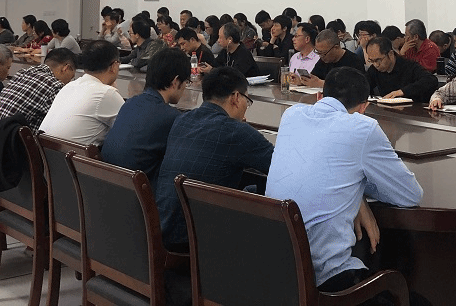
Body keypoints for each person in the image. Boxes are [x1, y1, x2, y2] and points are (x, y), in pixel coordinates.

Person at [266, 67, 423, 295]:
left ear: (320, 96)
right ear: (364, 107)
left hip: (277, 272)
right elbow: (410, 195)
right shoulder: (363, 127)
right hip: (325, 283)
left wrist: (357, 195)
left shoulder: (291, 115)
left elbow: (322, 170)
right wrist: (358, 194)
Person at [155, 66, 274, 251]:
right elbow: (280, 167)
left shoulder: (182, 120)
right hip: (198, 241)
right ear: (236, 97)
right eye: (247, 101)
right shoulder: (237, 132)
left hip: (163, 228)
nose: (246, 108)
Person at [101, 48, 191, 185]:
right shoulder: (172, 118)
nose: (185, 87)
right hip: (139, 193)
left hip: (107, 185)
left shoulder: (130, 103)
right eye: (186, 82)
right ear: (175, 81)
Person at [0, 47, 76, 164]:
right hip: (5, 164)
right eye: (71, 78)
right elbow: (57, 128)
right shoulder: (54, 85)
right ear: (65, 68)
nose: (68, 82)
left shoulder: (22, 73)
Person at [39, 40, 124, 146]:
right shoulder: (106, 93)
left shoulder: (69, 86)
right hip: (75, 156)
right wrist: (111, 92)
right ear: (114, 66)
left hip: (46, 153)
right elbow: (131, 131)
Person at [365, 36, 438, 101]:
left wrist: (402, 92)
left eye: (378, 60)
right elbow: (364, 85)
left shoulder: (409, 66)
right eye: (371, 61)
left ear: (390, 54)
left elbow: (431, 80)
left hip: (412, 109)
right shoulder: (374, 69)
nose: (376, 65)